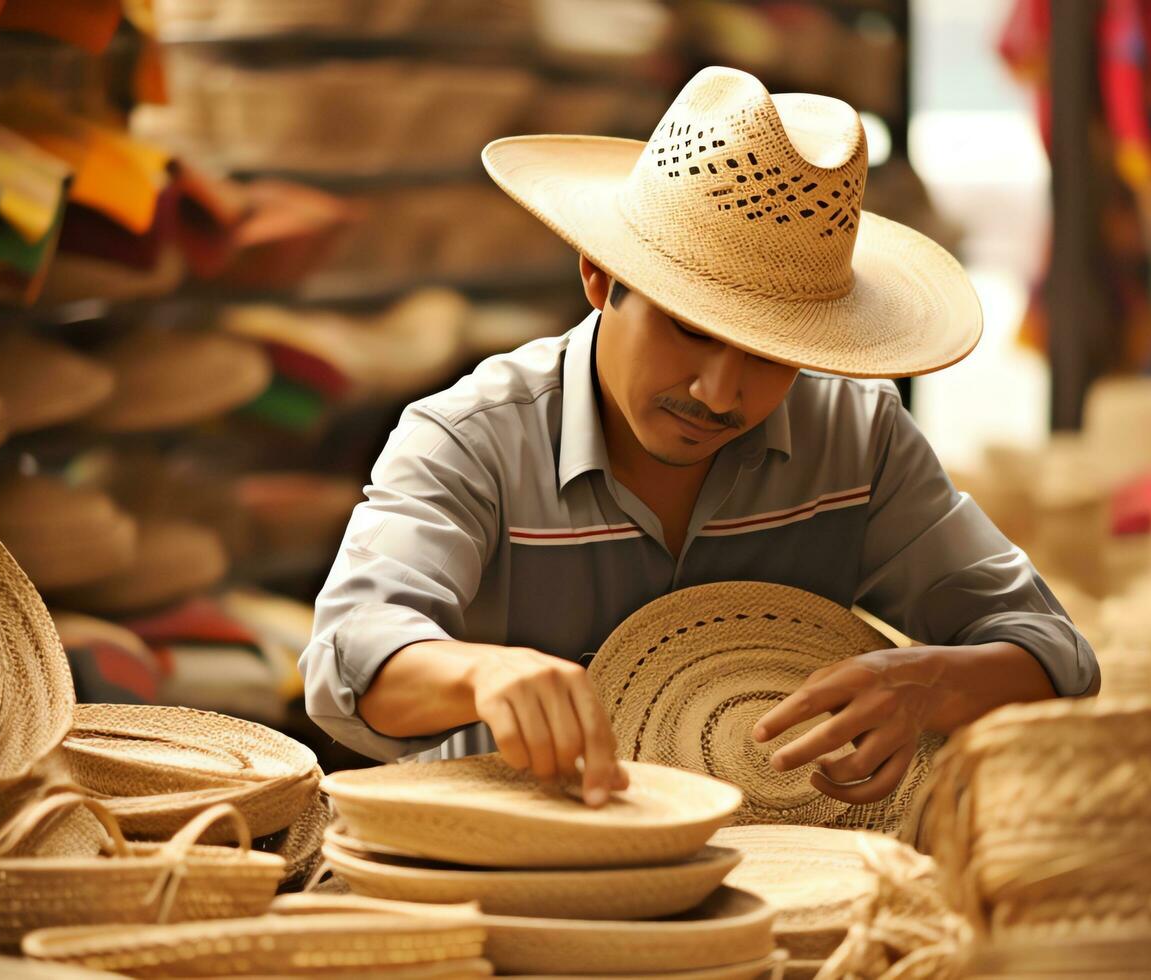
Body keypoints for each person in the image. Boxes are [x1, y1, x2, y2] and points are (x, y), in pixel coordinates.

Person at [300, 67, 1098, 809]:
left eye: (770, 352)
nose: (718, 393)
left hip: (787, 886)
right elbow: (348, 657)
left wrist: (928, 683)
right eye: (688, 330)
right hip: (513, 879)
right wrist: (478, 673)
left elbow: (1053, 653)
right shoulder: (472, 439)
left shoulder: (858, 438)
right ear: (599, 277)